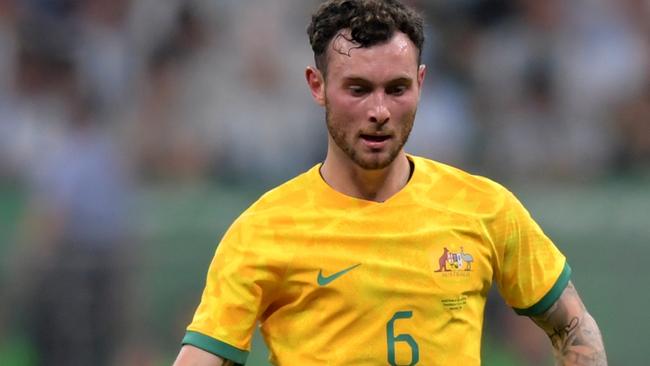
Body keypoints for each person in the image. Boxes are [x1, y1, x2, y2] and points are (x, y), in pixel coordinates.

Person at [174, 1, 608, 365]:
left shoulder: (485, 208)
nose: (379, 110)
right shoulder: (263, 231)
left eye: (396, 88)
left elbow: (573, 324)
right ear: (317, 85)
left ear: (420, 83)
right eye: (358, 89)